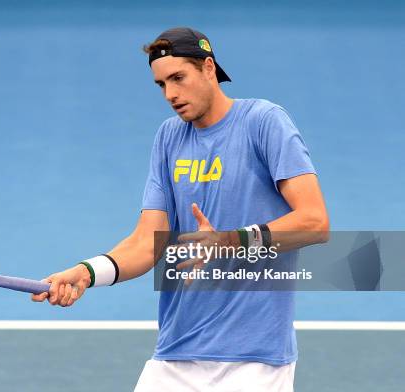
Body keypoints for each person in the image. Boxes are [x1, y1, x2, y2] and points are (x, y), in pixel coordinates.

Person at [31, 27, 329, 391]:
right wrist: (88, 272)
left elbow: (314, 222)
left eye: (178, 78)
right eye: (161, 85)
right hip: (177, 352)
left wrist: (230, 241)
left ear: (208, 68)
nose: (170, 94)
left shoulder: (264, 121)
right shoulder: (169, 137)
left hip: (255, 360)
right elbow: (147, 242)